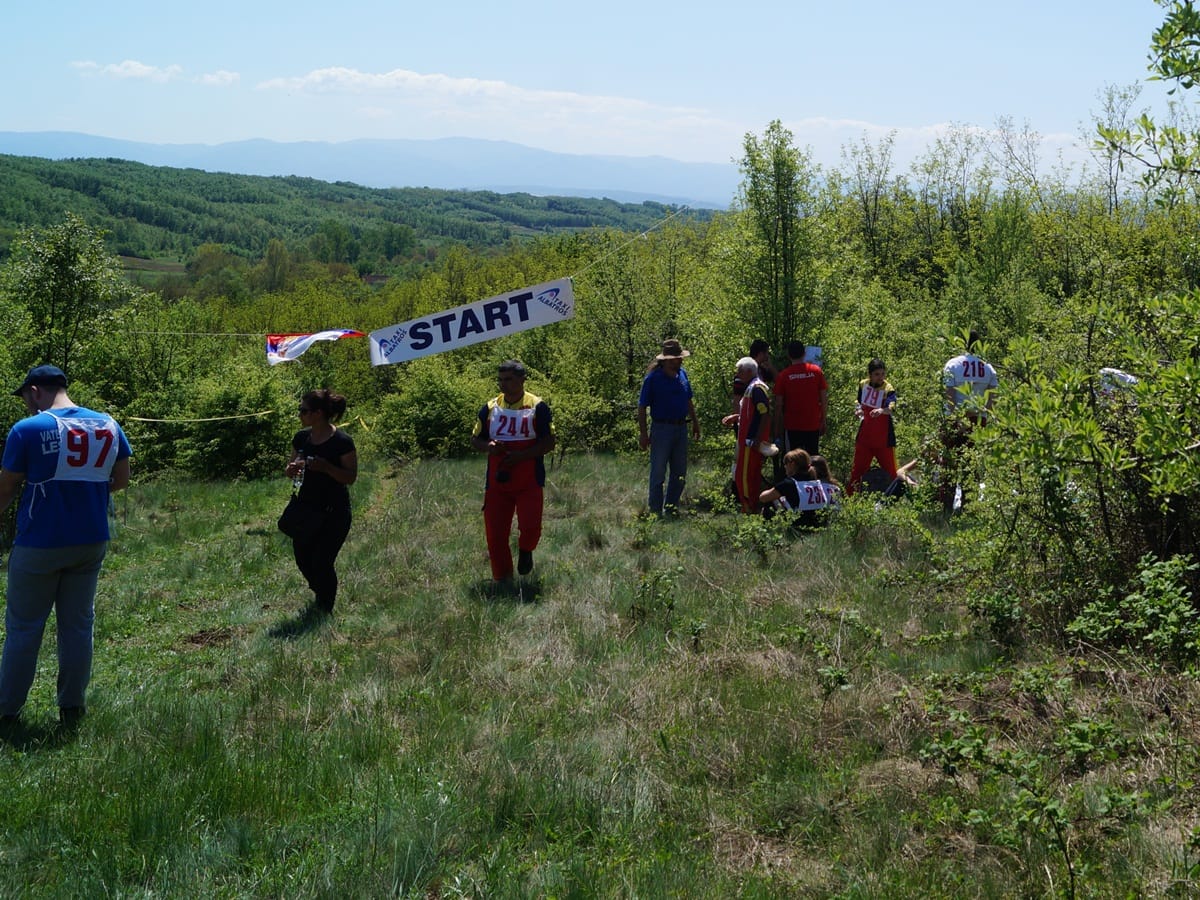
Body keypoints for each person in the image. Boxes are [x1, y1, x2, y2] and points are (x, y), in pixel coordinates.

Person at [0, 365, 132, 728]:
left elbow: (7, 487)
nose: (27, 405)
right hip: (90, 540)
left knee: (25, 628)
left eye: (26, 397)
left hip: (40, 543)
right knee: (77, 626)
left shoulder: (27, 429)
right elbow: (120, 480)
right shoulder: (108, 424)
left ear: (36, 390)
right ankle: (71, 707)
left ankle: (7, 711)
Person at [471, 360, 555, 582]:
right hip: (497, 482)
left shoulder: (538, 407)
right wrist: (489, 447)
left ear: (522, 379)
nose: (503, 384)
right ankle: (503, 580)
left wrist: (521, 456)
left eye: (508, 379)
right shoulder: (490, 407)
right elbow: (475, 439)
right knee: (495, 534)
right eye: (500, 379)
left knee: (530, 527)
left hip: (529, 479)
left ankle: (526, 550)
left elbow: (549, 443)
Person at [284, 389, 357, 617]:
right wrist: (291, 469)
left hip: (334, 513)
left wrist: (326, 467)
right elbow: (290, 469)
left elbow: (350, 477)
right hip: (305, 509)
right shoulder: (301, 438)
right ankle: (322, 592)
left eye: (303, 411)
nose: (300, 415)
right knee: (303, 557)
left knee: (322, 561)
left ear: (318, 413)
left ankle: (324, 610)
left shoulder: (342, 442)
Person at [637, 339, 700, 517]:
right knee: (658, 472)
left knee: (679, 472)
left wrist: (695, 422)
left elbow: (688, 400)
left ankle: (671, 508)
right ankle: (655, 511)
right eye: (676, 358)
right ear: (666, 360)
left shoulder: (683, 375)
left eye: (680, 357)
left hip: (681, 428)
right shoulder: (653, 379)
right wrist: (643, 434)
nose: (679, 360)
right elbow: (642, 407)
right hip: (661, 429)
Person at [722, 357, 775, 513]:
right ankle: (751, 508)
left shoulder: (757, 388)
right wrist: (737, 418)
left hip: (751, 442)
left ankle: (749, 509)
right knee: (746, 475)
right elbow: (752, 414)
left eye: (740, 371)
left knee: (745, 477)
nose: (738, 374)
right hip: (747, 441)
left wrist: (756, 439)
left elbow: (764, 413)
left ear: (749, 371)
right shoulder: (751, 388)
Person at [846, 358, 899, 495]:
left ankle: (899, 499)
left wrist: (882, 410)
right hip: (865, 438)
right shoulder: (863, 384)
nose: (880, 377)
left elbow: (892, 407)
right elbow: (858, 400)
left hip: (884, 440)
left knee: (892, 472)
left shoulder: (888, 388)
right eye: (877, 374)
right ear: (870, 374)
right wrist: (857, 409)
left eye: (882, 374)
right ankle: (850, 499)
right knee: (857, 471)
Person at [773, 340, 828, 456]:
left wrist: (776, 429)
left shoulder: (783, 376)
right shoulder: (816, 371)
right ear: (804, 353)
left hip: (793, 426)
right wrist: (823, 420)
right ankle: (812, 474)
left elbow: (778, 405)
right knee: (812, 458)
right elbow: (823, 399)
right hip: (812, 423)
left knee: (794, 459)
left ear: (788, 355)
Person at [759, 449, 840, 528]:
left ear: (792, 464)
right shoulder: (816, 482)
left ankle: (768, 531)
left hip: (798, 525)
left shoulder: (789, 483)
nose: (784, 467)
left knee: (771, 501)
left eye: (785, 463)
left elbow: (763, 497)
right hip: (818, 525)